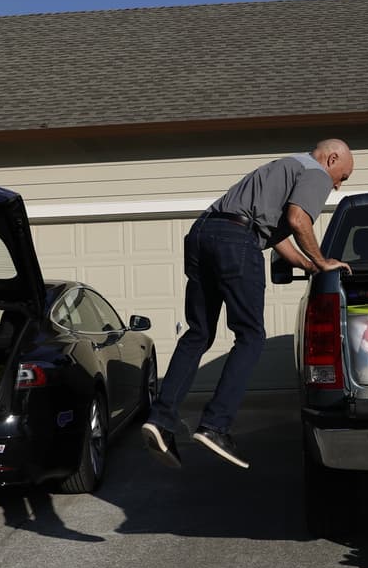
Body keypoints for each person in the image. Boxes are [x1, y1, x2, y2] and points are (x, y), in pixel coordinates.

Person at [141, 139, 354, 469]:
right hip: (236, 241)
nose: (337, 186)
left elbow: (278, 233)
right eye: (343, 176)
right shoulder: (316, 173)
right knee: (251, 337)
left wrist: (308, 264)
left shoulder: (284, 166)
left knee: (198, 334)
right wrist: (324, 261)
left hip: (202, 233)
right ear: (332, 158)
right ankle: (215, 426)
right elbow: (299, 220)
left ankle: (160, 420)